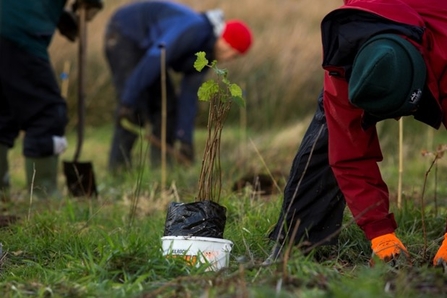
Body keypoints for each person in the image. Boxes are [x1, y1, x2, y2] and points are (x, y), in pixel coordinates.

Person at [266, 0, 447, 266]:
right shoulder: (345, 70)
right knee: (330, 134)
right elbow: (349, 155)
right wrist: (380, 233)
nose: (398, 119)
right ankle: (300, 245)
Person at [104, 1, 253, 172]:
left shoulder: (206, 57)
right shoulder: (195, 30)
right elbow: (156, 57)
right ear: (224, 40)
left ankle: (160, 169)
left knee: (168, 108)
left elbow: (188, 96)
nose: (227, 58)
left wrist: (185, 140)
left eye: (233, 57)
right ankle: (117, 170)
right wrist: (127, 100)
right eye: (230, 52)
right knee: (134, 108)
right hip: (127, 32)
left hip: (148, 49)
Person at [0, 0, 103, 199]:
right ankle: (44, 194)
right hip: (18, 33)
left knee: (4, 110)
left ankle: (1, 190)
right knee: (47, 112)